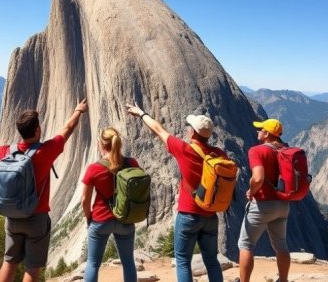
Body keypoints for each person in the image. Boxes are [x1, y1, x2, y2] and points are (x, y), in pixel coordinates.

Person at [0, 98, 88, 282]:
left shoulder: (7, 152)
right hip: (36, 218)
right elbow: (67, 129)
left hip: (12, 217)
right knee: (32, 268)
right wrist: (78, 110)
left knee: (8, 262)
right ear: (37, 130)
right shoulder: (46, 151)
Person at [125, 102, 226, 282]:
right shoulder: (219, 155)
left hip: (188, 215)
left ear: (193, 132)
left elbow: (159, 130)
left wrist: (141, 114)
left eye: (189, 127)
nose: (187, 130)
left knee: (182, 261)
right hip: (211, 215)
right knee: (211, 261)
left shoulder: (184, 149)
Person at [81, 127, 138, 282]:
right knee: (128, 263)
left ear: (101, 144)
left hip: (100, 220)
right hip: (125, 220)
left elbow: (85, 200)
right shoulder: (132, 163)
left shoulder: (94, 168)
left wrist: (89, 218)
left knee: (93, 263)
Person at [237, 118, 290, 282]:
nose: (257, 131)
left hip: (263, 204)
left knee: (245, 245)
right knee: (281, 245)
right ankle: (283, 280)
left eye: (260, 129)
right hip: (283, 205)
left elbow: (258, 178)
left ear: (267, 134)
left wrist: (251, 191)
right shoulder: (286, 150)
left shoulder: (257, 151)